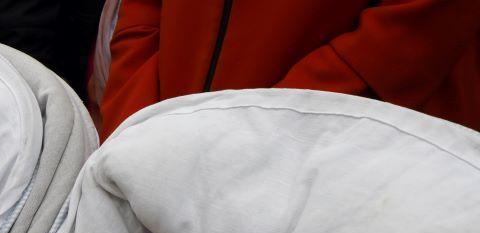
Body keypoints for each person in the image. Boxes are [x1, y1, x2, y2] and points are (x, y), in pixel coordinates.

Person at [97, 0, 480, 139]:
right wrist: (135, 121)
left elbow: (406, 35)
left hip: (349, 158)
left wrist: (261, 131)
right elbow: (142, 17)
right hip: (163, 151)